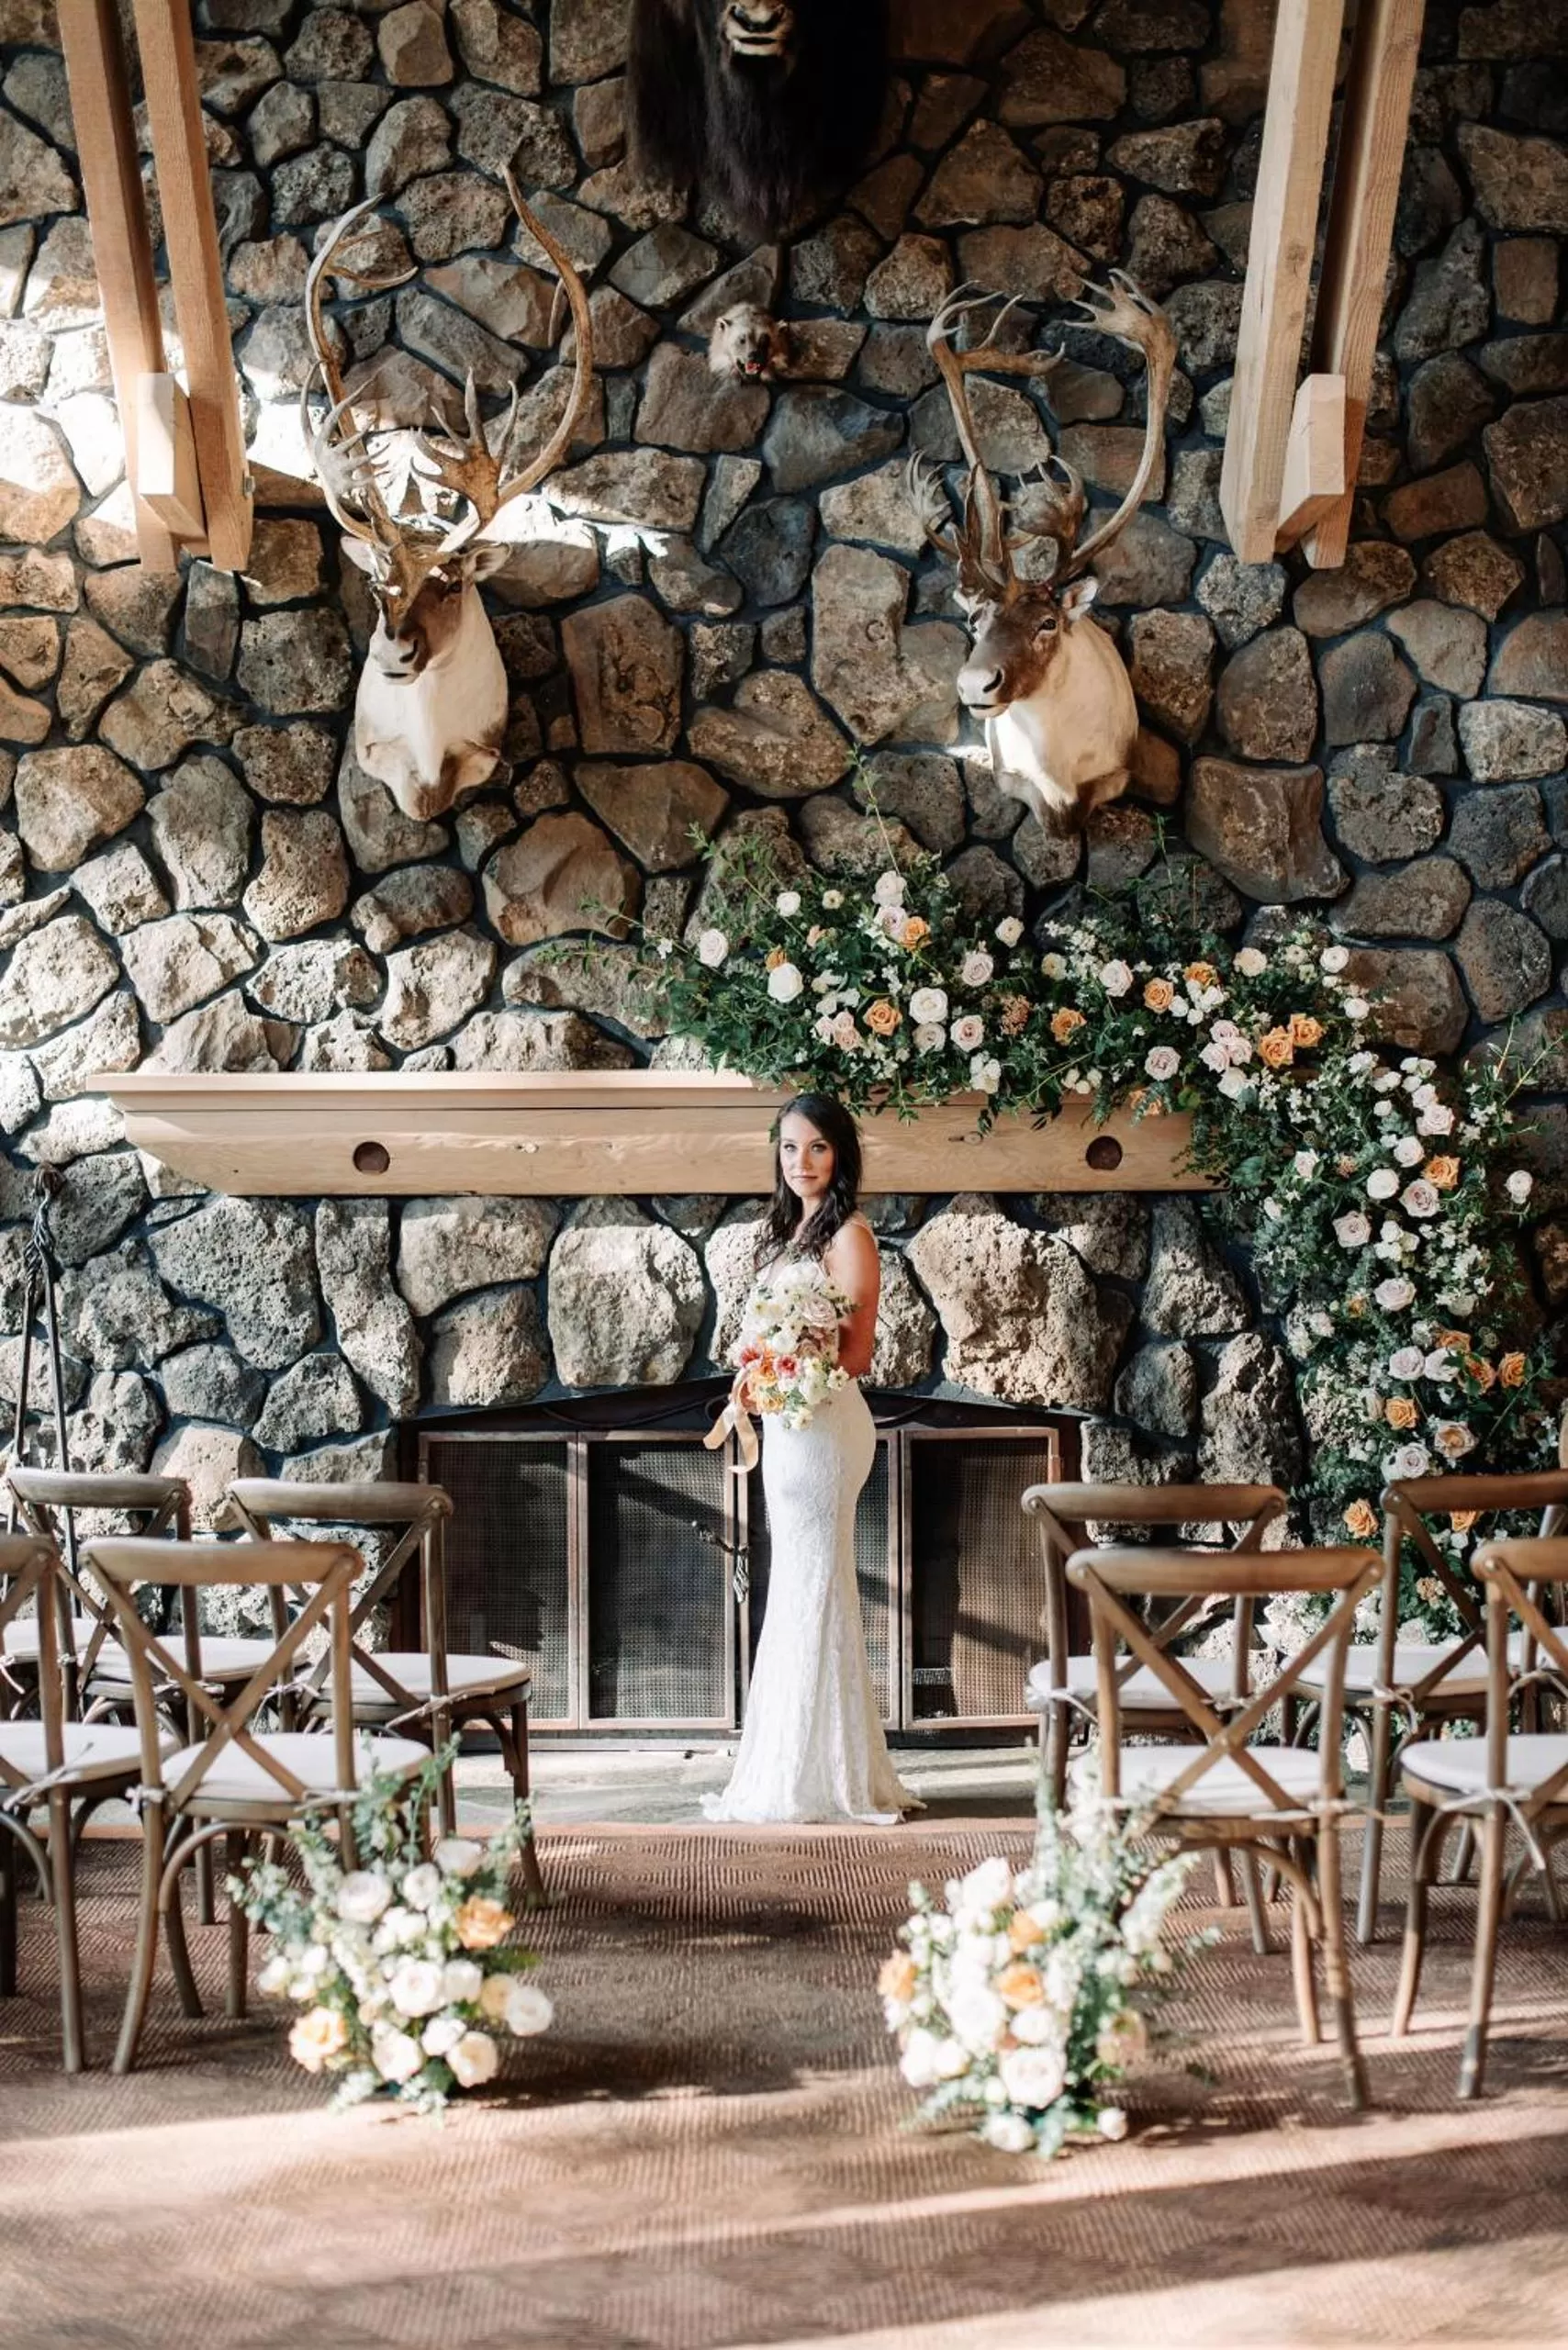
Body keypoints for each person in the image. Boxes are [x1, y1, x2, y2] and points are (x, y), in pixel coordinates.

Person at [703, 1093, 916, 1825]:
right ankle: (797, 1767)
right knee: (796, 1588)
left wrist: (790, 1361)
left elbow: (856, 1355)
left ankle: (826, 1776)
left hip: (826, 1435)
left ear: (841, 1155)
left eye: (818, 1148)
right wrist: (760, 1366)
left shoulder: (851, 1235)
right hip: (788, 1432)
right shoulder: (783, 1233)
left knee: (817, 1588)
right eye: (790, 1148)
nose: (802, 1163)